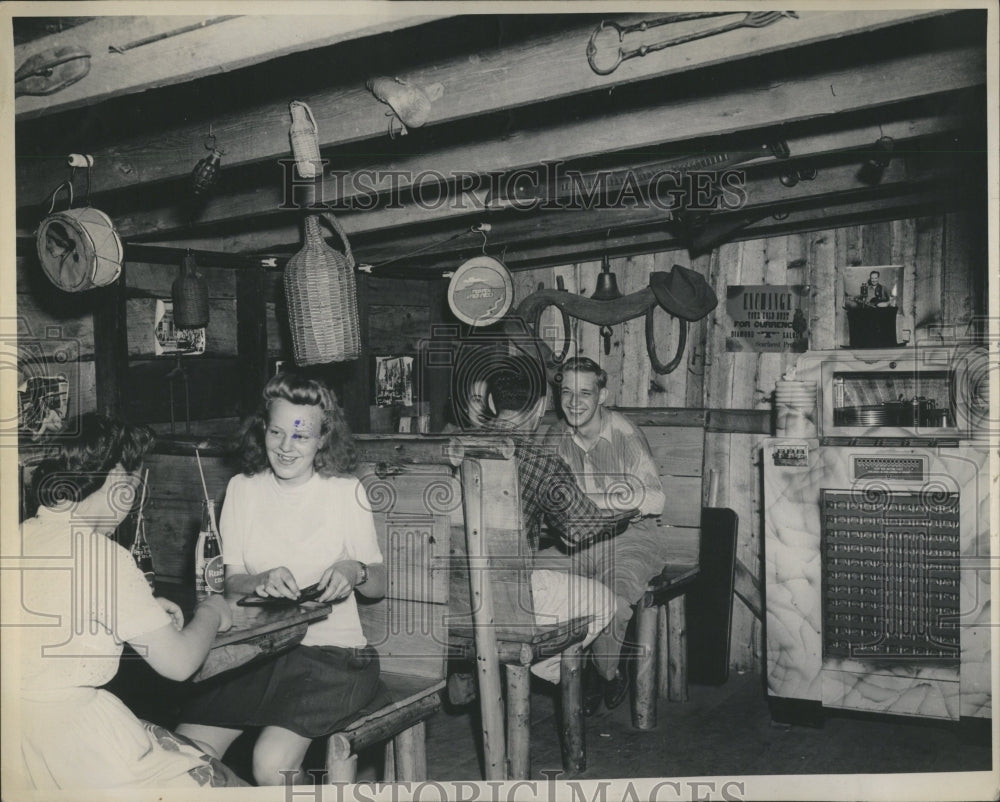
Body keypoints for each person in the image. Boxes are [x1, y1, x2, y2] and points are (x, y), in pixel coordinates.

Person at [10, 414, 245, 790]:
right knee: (229, 785)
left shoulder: (20, 536)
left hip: (17, 743)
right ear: (119, 478)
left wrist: (146, 613)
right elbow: (179, 664)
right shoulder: (104, 556)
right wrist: (211, 611)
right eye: (134, 486)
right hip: (74, 748)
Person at [176, 373, 386, 786]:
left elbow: (378, 584)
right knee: (183, 757)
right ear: (263, 429)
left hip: (333, 656)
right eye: (276, 432)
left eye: (301, 435)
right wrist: (260, 581)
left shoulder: (346, 492)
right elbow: (232, 581)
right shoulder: (242, 488)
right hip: (261, 651)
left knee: (271, 764)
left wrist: (353, 570)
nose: (286, 447)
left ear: (323, 437)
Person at [480, 360, 632, 685]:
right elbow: (579, 529)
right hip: (508, 597)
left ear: (491, 403)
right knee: (603, 600)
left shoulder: (442, 448)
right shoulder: (540, 461)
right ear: (539, 409)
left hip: (449, 596)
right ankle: (551, 673)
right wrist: (621, 517)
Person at [543, 356, 668, 714]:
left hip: (630, 536)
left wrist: (588, 500)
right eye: (566, 392)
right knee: (533, 582)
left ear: (602, 395)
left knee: (613, 598)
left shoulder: (623, 433)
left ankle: (607, 672)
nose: (574, 402)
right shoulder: (556, 436)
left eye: (585, 393)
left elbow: (656, 498)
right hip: (577, 540)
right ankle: (571, 671)